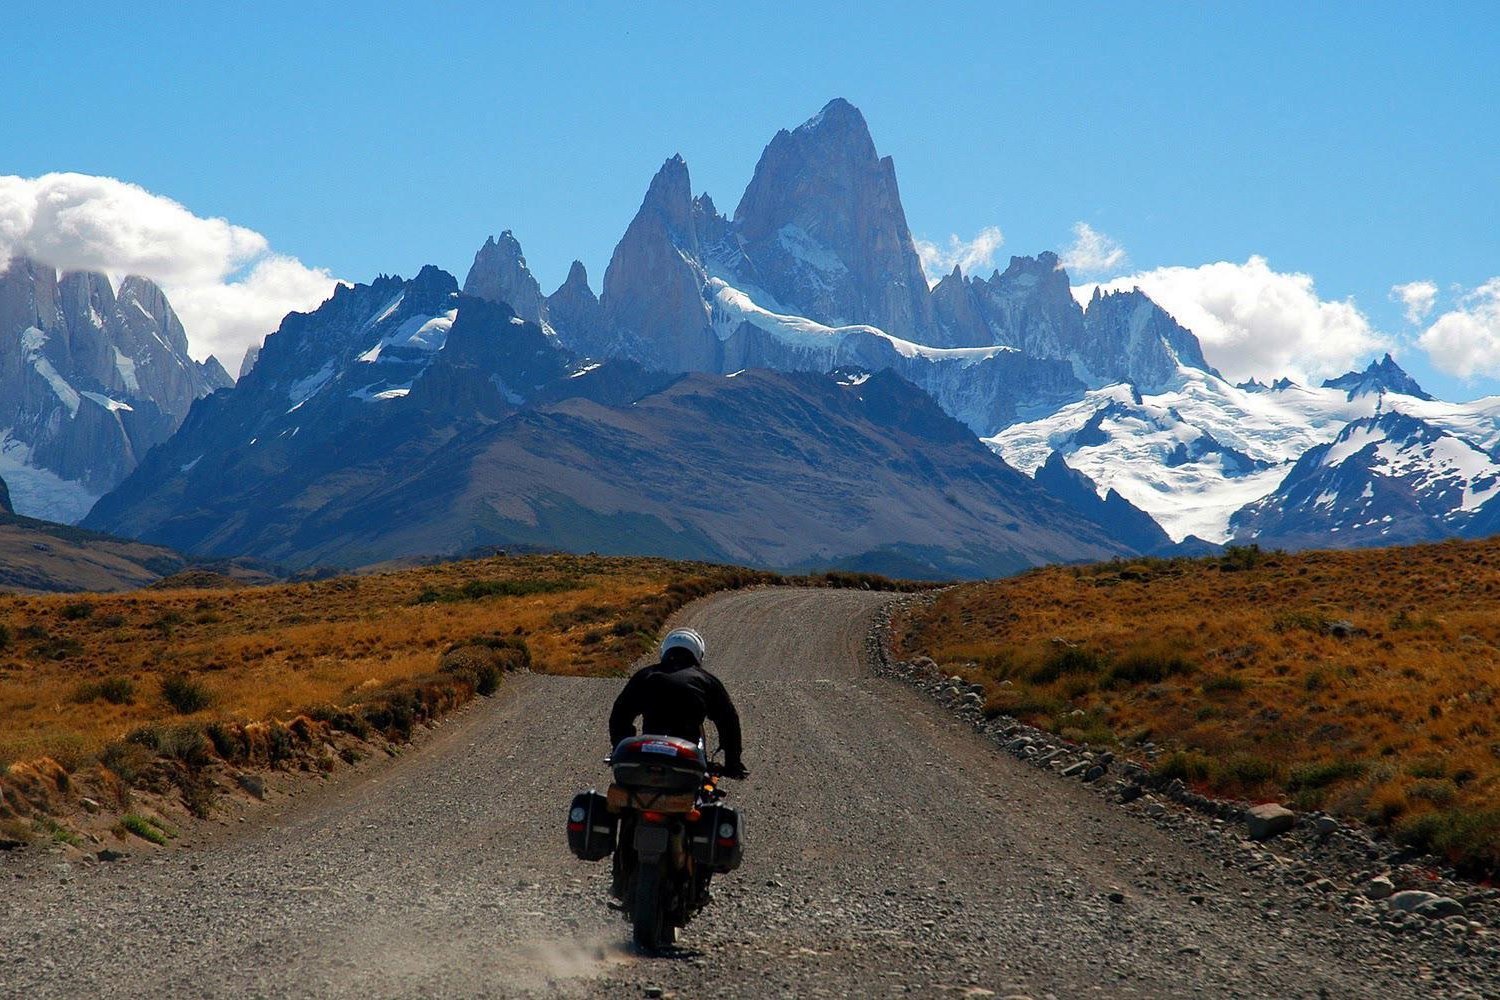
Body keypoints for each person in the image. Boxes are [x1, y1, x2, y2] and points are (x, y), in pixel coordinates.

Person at [609, 627, 748, 778]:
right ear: (698, 654)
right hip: (687, 757)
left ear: (665, 651)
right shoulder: (706, 680)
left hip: (648, 754)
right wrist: (732, 763)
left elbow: (620, 715)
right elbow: (728, 721)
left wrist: (620, 748)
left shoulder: (645, 676)